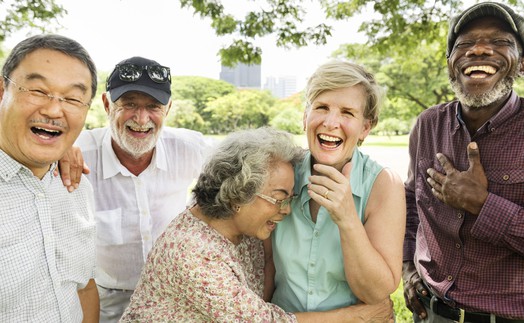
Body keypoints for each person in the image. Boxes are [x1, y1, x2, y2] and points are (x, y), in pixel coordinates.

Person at [120, 127, 394, 322]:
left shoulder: (243, 231)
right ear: (239, 194)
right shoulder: (192, 252)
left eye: (290, 198)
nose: (286, 211)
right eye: (278, 199)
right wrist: (357, 316)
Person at [60, 56, 209, 322]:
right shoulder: (78, 151)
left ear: (168, 109)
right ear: (107, 104)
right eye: (129, 104)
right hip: (106, 299)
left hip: (174, 295)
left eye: (153, 106)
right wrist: (60, 149)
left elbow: (245, 165)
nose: (141, 119)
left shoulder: (189, 148)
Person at [403, 2, 524, 322]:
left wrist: (483, 205)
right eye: (465, 44)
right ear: (450, 64)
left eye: (500, 42)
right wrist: (407, 268)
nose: (479, 49)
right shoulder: (428, 124)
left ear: (522, 63)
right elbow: (411, 203)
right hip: (432, 312)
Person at [270, 60, 406, 317]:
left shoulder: (384, 185)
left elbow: (376, 293)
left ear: (366, 127)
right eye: (321, 107)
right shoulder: (280, 174)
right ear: (305, 117)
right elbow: (265, 269)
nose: (331, 123)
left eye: (347, 112)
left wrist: (347, 218)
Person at [0, 34, 98, 322]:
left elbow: (84, 287)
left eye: (73, 98)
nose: (54, 110)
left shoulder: (77, 185)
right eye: (38, 91)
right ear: (2, 90)